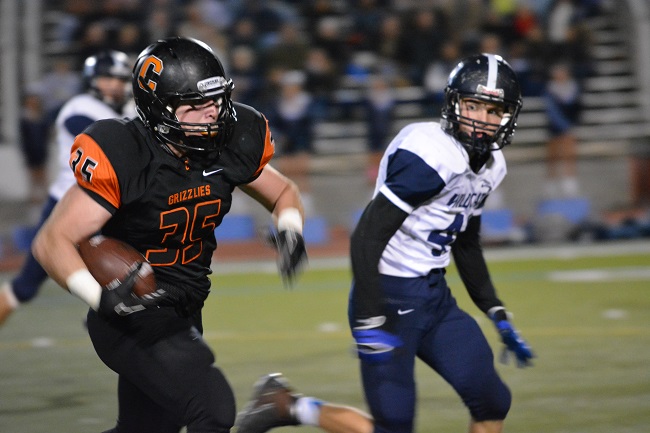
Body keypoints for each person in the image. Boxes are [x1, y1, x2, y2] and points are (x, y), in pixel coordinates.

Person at [234, 53, 534, 433]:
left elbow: (467, 243)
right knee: (393, 427)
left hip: (434, 295)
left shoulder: (493, 165)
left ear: (508, 116)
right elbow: (368, 234)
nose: (481, 119)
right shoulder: (430, 155)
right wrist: (370, 314)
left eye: (493, 111)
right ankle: (286, 406)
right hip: (389, 296)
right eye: (473, 106)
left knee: (492, 402)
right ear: (454, 104)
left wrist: (495, 309)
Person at [31, 36, 308, 433]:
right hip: (132, 310)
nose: (212, 113)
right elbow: (51, 241)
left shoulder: (229, 142)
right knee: (213, 410)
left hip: (186, 304)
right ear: (158, 110)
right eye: (195, 106)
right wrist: (100, 298)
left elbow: (283, 192)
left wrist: (290, 229)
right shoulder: (127, 154)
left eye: (216, 100)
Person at [0, 50, 132, 326]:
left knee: (128, 277)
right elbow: (102, 139)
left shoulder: (123, 112)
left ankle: (105, 320)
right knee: (24, 287)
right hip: (68, 206)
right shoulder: (80, 107)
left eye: (119, 79)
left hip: (107, 207)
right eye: (107, 78)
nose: (114, 85)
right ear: (92, 80)